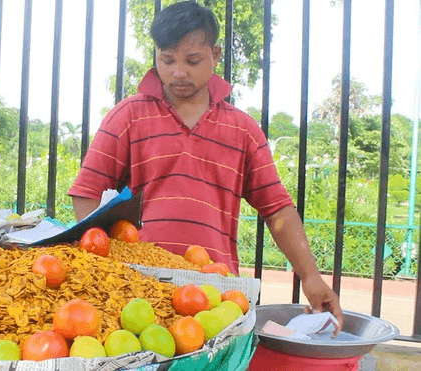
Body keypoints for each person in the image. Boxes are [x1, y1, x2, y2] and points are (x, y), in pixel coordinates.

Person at [68, 1, 343, 330]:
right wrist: (109, 261)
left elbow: (278, 211)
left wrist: (311, 277)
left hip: (218, 295)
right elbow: (86, 192)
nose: (178, 72)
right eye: (167, 60)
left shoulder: (242, 130)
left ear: (215, 55)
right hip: (138, 295)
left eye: (192, 60)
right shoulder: (128, 116)